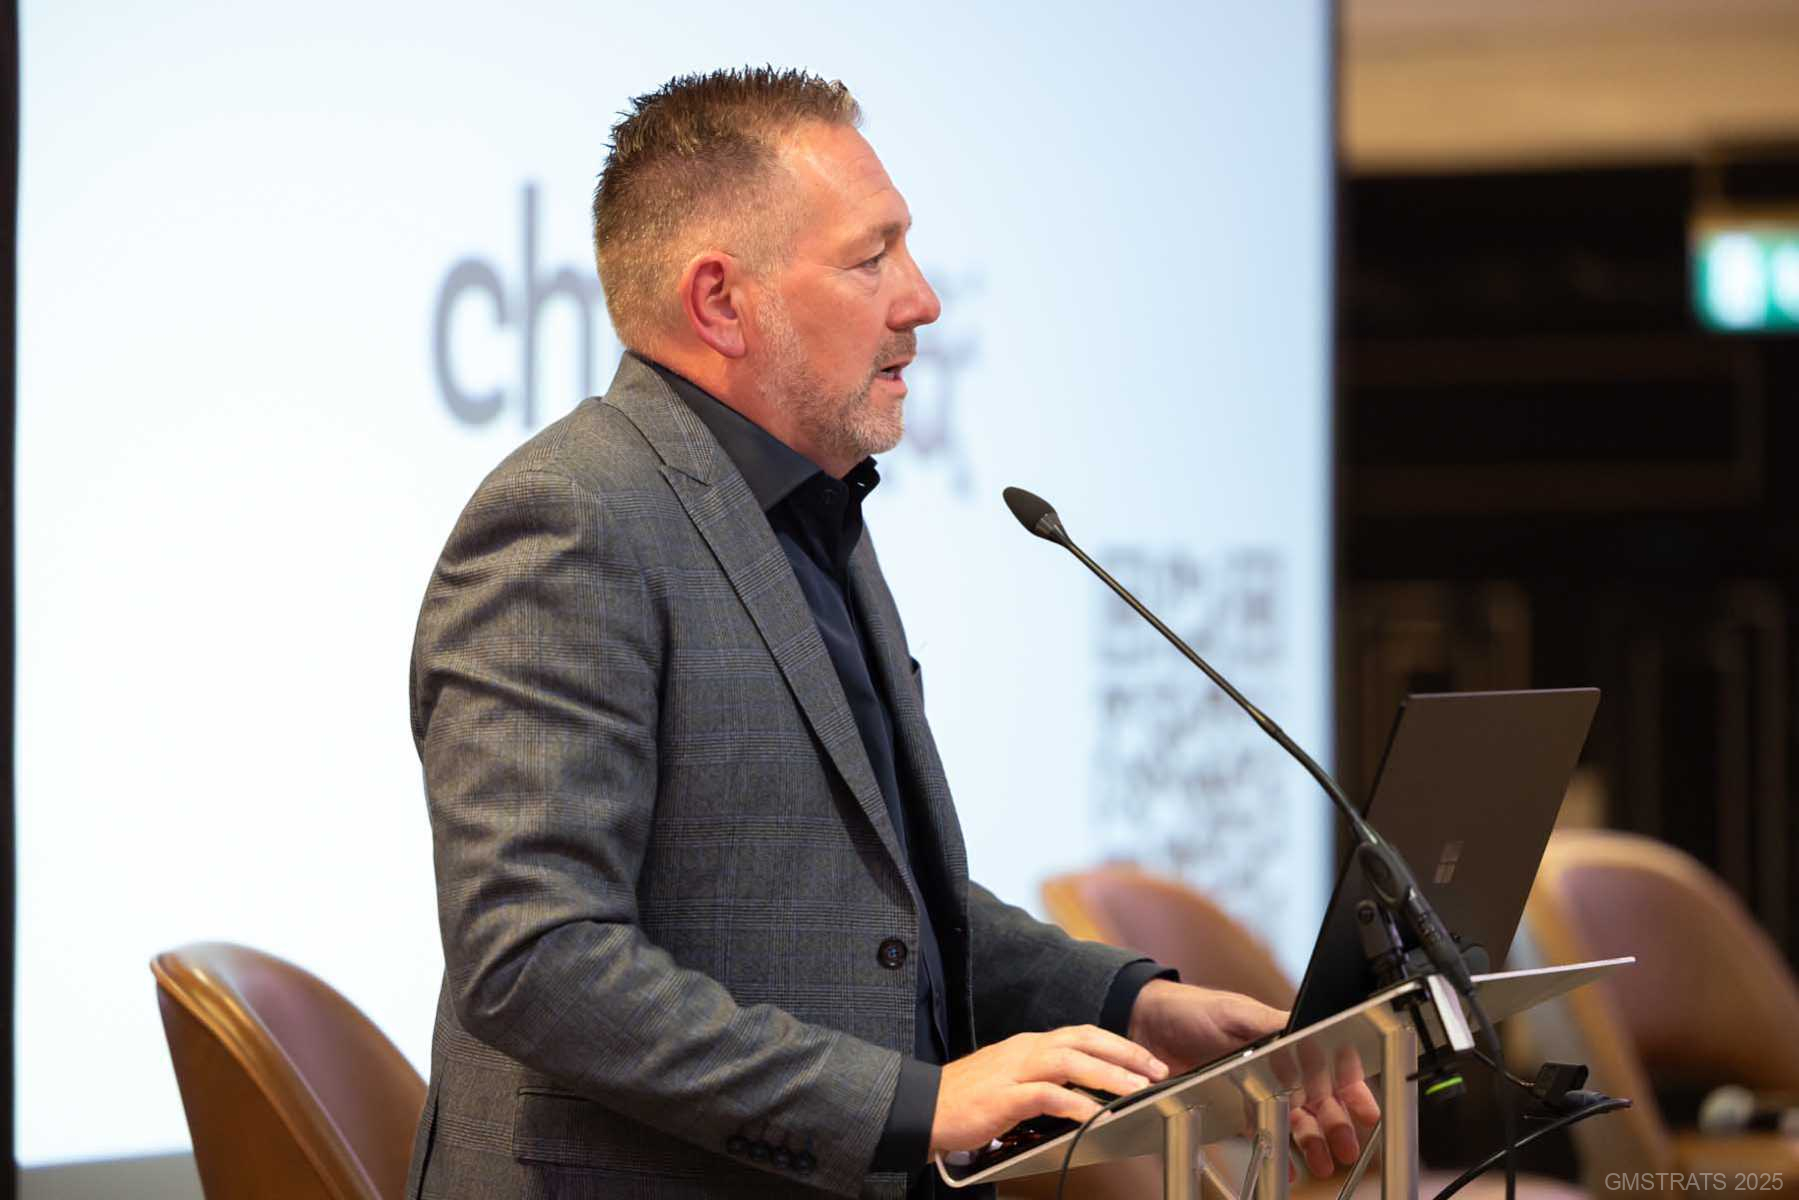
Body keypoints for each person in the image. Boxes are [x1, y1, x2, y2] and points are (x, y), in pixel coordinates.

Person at [405, 67, 1377, 1199]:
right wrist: (912, 1105)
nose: (921, 300)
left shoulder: (813, 513)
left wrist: (1133, 1006)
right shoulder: (570, 519)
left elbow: (876, 908)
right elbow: (535, 960)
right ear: (721, 302)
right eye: (871, 259)